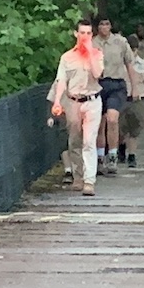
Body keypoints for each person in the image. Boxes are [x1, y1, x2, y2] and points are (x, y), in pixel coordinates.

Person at [49, 20, 104, 195]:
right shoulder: (67, 57)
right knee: (74, 141)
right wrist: (57, 101)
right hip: (73, 101)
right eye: (82, 33)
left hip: (92, 101)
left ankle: (89, 181)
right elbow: (61, 81)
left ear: (92, 35)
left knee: (89, 141)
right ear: (76, 34)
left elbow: (98, 74)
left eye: (88, 33)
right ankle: (78, 176)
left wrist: (90, 52)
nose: (85, 36)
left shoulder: (97, 54)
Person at [94, 17, 141, 168]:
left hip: (116, 84)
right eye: (101, 24)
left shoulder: (120, 42)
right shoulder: (92, 43)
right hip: (98, 84)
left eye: (107, 24)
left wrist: (135, 87)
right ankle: (100, 156)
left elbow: (129, 65)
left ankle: (113, 156)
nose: (104, 27)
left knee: (112, 119)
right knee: (100, 123)